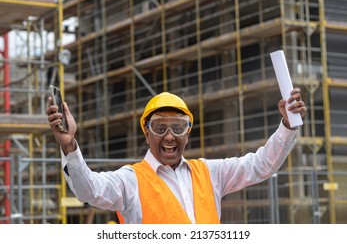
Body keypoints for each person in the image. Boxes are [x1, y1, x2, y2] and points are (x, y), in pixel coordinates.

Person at [46, 88, 306, 224]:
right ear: (146, 135)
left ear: (188, 133)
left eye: (178, 128)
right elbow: (88, 190)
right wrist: (70, 147)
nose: (169, 137)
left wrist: (287, 125)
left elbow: (262, 165)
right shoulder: (131, 181)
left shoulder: (209, 172)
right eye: (159, 128)